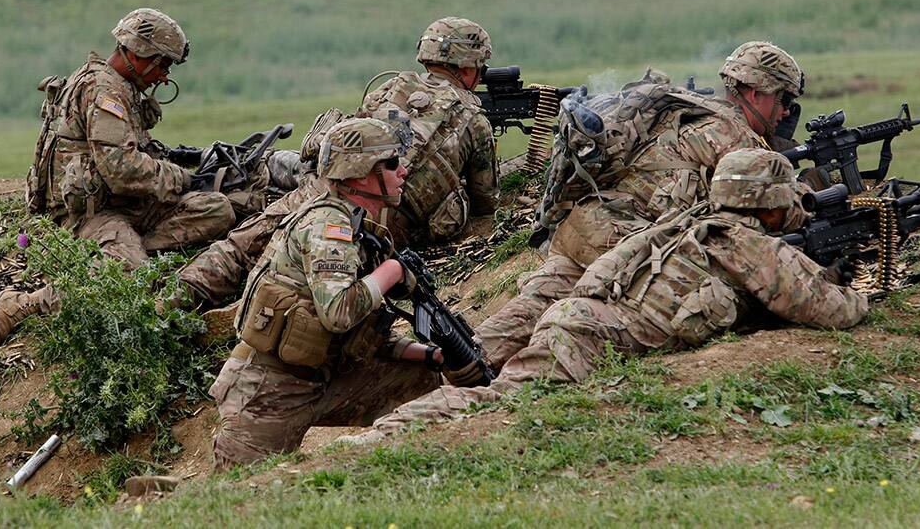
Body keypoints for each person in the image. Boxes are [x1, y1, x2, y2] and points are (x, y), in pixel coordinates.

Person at [342, 148, 869, 440]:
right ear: (771, 207)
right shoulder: (750, 246)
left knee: (502, 384)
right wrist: (858, 287)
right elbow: (832, 311)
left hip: (582, 317)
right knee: (503, 400)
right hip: (591, 336)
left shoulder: (692, 222)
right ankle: (386, 432)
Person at [474, 41, 807, 373]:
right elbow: (774, 215)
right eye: (784, 100)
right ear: (755, 93)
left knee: (516, 320)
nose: (786, 112)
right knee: (572, 336)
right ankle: (506, 390)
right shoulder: (737, 142)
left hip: (582, 227)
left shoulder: (683, 106)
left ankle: (450, 369)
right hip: (623, 248)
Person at [176, 17, 498, 310]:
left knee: (245, 244)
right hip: (381, 226)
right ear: (468, 69)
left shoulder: (391, 88)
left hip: (324, 189)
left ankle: (174, 301)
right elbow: (486, 202)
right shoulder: (475, 120)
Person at [0, 8, 235, 345]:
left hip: (125, 205)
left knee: (217, 209)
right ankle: (23, 304)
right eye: (162, 65)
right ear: (136, 53)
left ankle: (120, 251)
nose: (163, 77)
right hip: (90, 213)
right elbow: (122, 170)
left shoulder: (120, 87)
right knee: (130, 275)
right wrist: (179, 178)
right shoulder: (104, 91)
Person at [210, 118, 448, 468]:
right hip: (269, 389)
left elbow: (359, 333)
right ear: (359, 174)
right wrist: (393, 271)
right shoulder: (328, 227)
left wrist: (427, 355)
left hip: (327, 376)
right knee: (237, 497)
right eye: (392, 163)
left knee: (419, 379)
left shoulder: (362, 229)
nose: (404, 171)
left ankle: (399, 474)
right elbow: (338, 314)